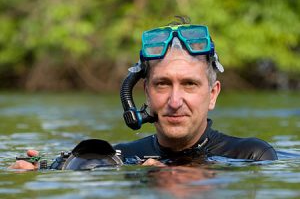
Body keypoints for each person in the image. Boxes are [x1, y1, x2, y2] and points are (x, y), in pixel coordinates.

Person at [9, 17, 277, 170]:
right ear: (146, 92)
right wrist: (40, 169)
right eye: (162, 84)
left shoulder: (252, 156)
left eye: (190, 84)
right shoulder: (122, 158)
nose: (174, 101)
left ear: (213, 94)